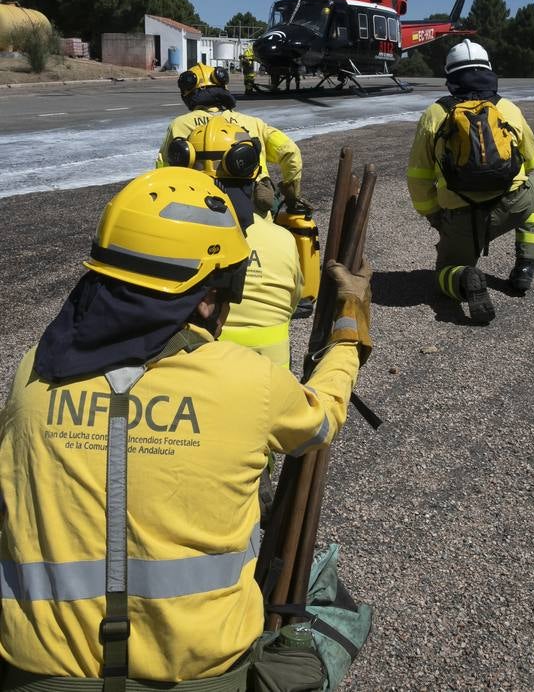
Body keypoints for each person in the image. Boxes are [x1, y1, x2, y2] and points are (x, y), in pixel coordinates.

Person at [0, 167, 372, 688]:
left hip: (35, 675)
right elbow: (323, 416)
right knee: (326, 610)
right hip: (201, 675)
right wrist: (352, 326)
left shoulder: (33, 370)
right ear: (205, 296)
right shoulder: (249, 382)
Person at [406, 39, 534, 324]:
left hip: (461, 218)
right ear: (489, 71)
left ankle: (464, 276)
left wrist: (434, 215)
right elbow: (531, 161)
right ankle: (525, 267)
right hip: (512, 206)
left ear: (450, 77)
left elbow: (418, 177)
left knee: (444, 275)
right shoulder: (508, 108)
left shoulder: (435, 113)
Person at [167, 115, 303, 367]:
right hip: (273, 382)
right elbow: (293, 304)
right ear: (251, 170)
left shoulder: (167, 239)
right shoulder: (283, 240)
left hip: (194, 376)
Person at [156, 63, 305, 209]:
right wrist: (291, 196)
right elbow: (290, 152)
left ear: (187, 96)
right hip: (255, 209)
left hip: (199, 209)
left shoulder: (179, 125)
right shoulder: (254, 124)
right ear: (224, 90)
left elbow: (162, 168)